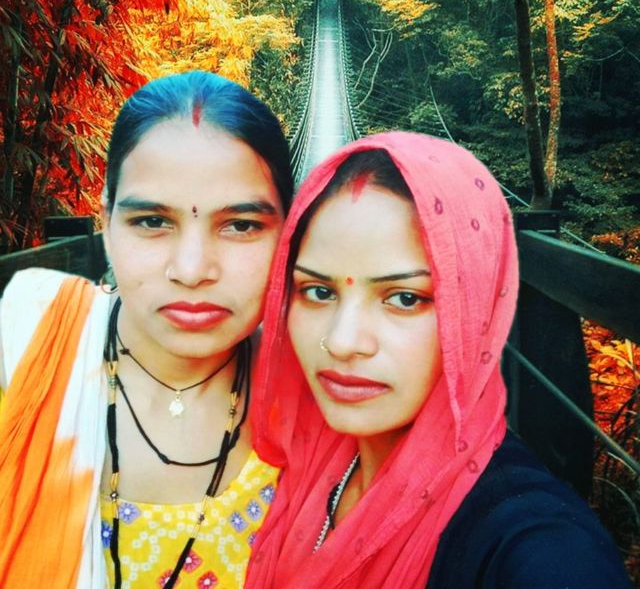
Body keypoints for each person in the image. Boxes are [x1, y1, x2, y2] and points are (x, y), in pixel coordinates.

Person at [246, 132, 632, 588]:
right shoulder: (307, 454)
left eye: (405, 298)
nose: (343, 342)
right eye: (317, 291)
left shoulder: (534, 543)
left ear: (477, 309)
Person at [0, 70, 293, 589]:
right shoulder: (24, 350)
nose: (192, 269)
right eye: (153, 222)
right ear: (106, 223)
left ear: (288, 233)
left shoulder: (321, 397)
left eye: (241, 225)